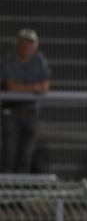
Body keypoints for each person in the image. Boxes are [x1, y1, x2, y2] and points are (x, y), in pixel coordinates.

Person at [1, 29, 51, 173]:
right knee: (8, 155)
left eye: (30, 43)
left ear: (35, 46)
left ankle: (20, 193)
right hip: (11, 112)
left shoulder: (39, 60)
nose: (26, 46)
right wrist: (33, 88)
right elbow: (11, 87)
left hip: (31, 112)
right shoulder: (8, 61)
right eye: (23, 43)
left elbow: (45, 85)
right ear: (17, 44)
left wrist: (30, 88)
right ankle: (6, 191)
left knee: (25, 156)